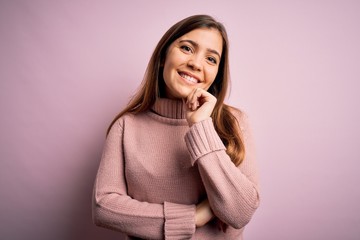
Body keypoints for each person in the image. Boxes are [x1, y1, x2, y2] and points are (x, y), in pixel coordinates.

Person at [92, 14, 260, 239]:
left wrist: (200, 125)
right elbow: (104, 207)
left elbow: (240, 213)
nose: (196, 63)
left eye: (211, 59)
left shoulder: (234, 122)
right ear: (163, 56)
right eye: (187, 48)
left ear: (216, 74)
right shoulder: (126, 127)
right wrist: (194, 217)